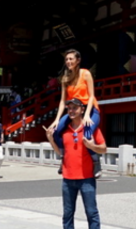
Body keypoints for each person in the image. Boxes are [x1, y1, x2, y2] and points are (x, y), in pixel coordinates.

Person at [47, 98, 107, 229]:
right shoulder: (64, 131)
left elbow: (104, 148)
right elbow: (61, 152)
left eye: (75, 108)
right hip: (67, 179)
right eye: (69, 108)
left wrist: (92, 146)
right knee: (67, 214)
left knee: (91, 213)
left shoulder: (90, 129)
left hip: (87, 178)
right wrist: (51, 140)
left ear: (82, 110)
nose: (71, 111)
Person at [47, 49, 102, 177]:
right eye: (66, 59)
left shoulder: (85, 74)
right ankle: (63, 158)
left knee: (87, 134)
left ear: (78, 60)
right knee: (56, 131)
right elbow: (62, 101)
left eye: (71, 59)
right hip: (73, 110)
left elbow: (91, 96)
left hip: (90, 109)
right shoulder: (65, 78)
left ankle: (96, 162)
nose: (68, 61)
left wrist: (87, 115)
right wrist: (56, 119)